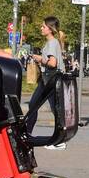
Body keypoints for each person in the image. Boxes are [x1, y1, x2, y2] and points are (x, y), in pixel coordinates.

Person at [25, 16, 67, 150]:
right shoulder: (52, 42)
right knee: (34, 105)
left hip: (50, 79)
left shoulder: (52, 43)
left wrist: (39, 59)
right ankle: (27, 134)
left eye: (43, 26)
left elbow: (52, 63)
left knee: (55, 109)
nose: (41, 28)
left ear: (50, 29)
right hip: (48, 79)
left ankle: (60, 140)